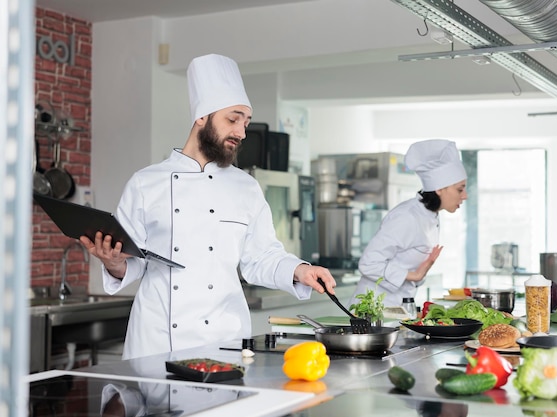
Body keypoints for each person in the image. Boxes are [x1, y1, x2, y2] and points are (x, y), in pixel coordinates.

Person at [79, 54, 336, 359]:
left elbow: (262, 257)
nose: (241, 132)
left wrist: (299, 269)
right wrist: (113, 262)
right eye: (233, 118)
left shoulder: (246, 188)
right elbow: (132, 258)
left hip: (223, 339)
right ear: (202, 116)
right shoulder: (146, 183)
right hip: (158, 340)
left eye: (246, 122)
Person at [349, 139, 467, 308]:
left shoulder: (431, 216)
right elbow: (368, 264)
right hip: (371, 310)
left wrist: (420, 273)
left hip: (398, 309)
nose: (465, 196)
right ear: (439, 189)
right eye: (460, 189)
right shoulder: (406, 217)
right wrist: (415, 275)